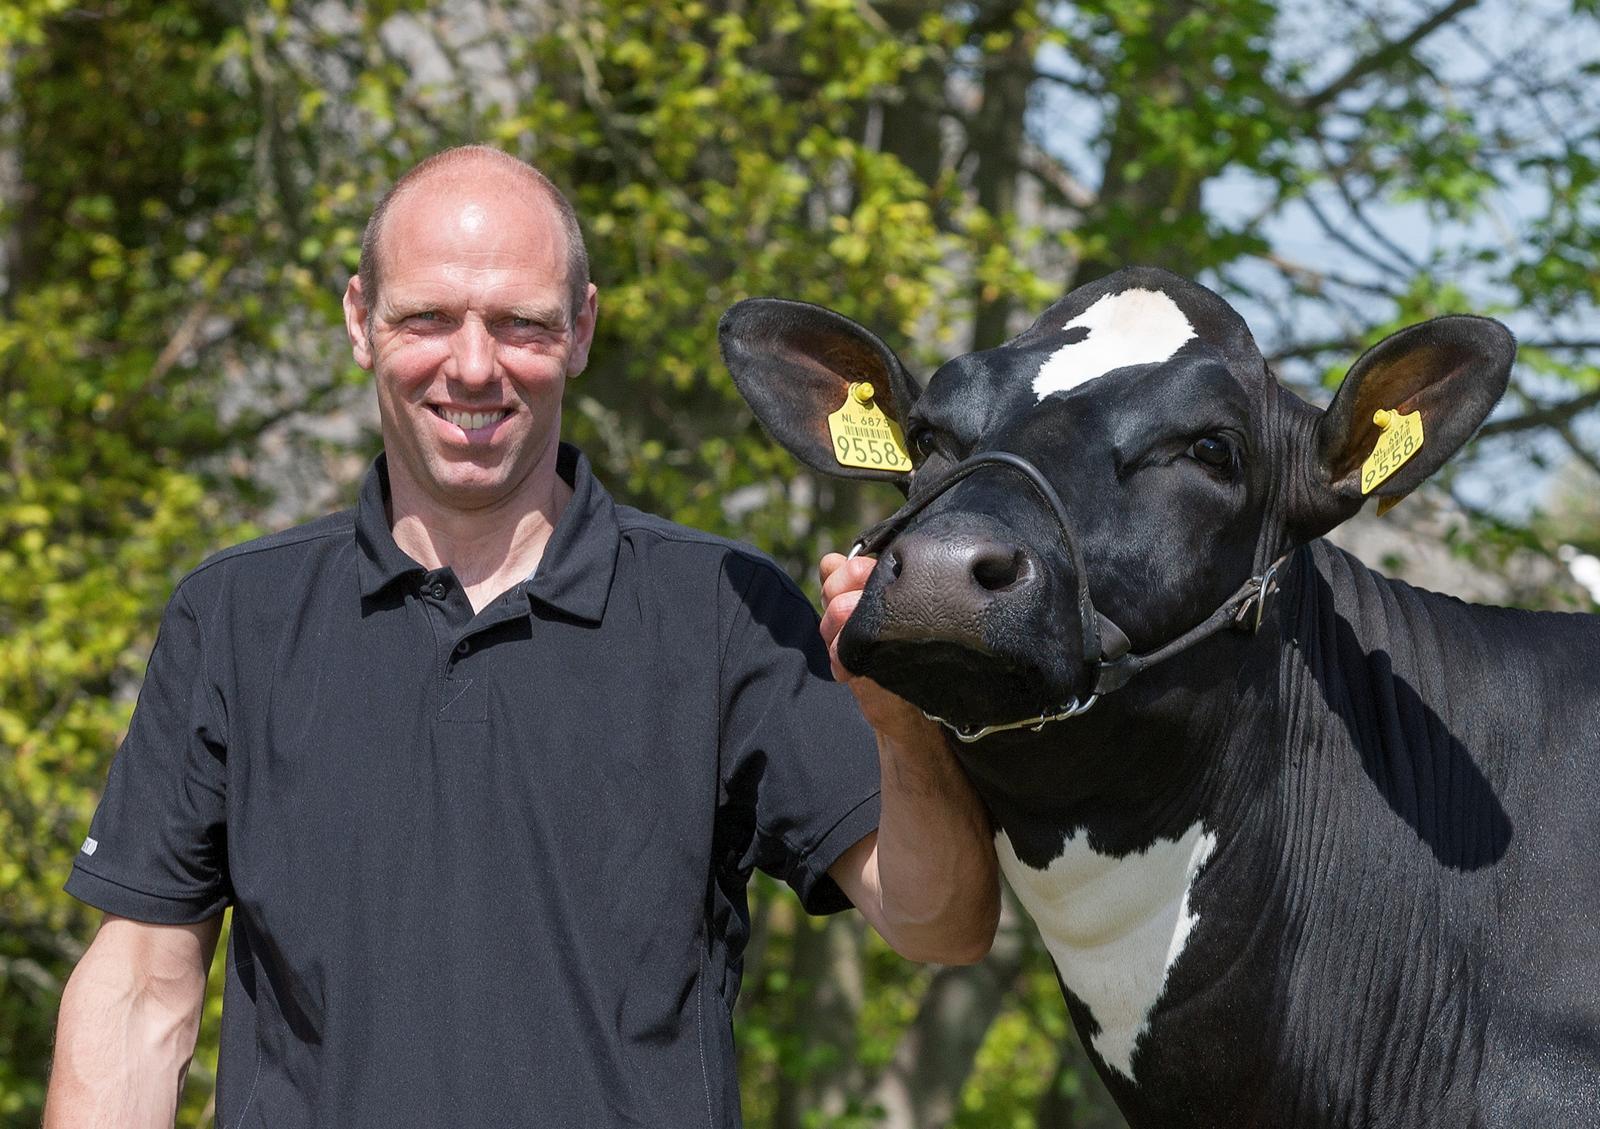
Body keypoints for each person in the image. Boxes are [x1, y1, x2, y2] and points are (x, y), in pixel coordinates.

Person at [44, 145, 999, 1127]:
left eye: (519, 324)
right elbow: (139, 994)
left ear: (580, 329)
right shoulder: (236, 615)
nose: (471, 364)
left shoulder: (722, 608)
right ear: (359, 320)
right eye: (426, 318)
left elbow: (942, 921)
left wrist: (897, 722)